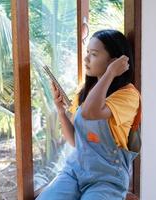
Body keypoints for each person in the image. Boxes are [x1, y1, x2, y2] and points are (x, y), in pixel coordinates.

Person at [37, 29, 141, 200]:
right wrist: (61, 110)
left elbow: (91, 112)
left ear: (114, 61)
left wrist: (110, 73)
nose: (86, 59)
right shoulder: (84, 92)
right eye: (87, 53)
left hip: (107, 179)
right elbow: (75, 141)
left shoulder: (128, 95)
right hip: (75, 171)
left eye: (93, 54)